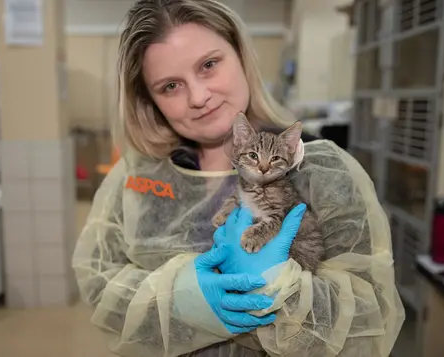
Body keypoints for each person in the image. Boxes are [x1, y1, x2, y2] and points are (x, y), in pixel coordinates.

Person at [72, 0, 405, 356]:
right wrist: (179, 299)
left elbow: (369, 322)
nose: (198, 97)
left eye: (209, 65)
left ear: (241, 55)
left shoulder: (324, 171)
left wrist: (283, 290)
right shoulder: (137, 177)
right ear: (150, 99)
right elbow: (101, 287)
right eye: (170, 86)